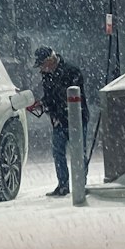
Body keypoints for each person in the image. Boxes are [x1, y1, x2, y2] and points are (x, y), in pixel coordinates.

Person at [33, 46, 89, 197]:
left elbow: (69, 95)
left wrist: (51, 103)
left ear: (50, 60)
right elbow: (50, 96)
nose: (42, 70)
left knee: (78, 152)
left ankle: (80, 184)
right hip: (59, 120)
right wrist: (42, 104)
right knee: (58, 152)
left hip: (76, 118)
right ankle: (63, 185)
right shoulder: (47, 75)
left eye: (42, 65)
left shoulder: (72, 71)